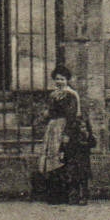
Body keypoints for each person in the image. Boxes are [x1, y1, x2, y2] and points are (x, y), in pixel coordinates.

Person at [37, 64, 94, 204]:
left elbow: (72, 115)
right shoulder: (54, 94)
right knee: (52, 158)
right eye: (57, 79)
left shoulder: (70, 95)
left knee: (63, 158)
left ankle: (69, 194)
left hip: (64, 127)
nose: (59, 81)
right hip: (53, 128)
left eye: (62, 79)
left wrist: (66, 134)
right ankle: (56, 194)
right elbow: (51, 111)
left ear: (67, 80)